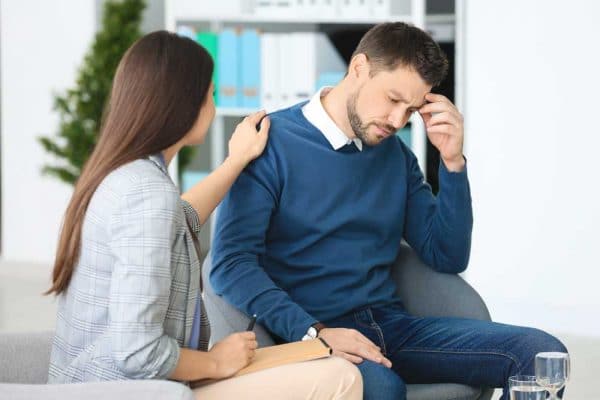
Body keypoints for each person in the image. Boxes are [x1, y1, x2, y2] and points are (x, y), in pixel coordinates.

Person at [211, 22, 568, 400]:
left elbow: (447, 255)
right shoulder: (270, 143)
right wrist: (315, 332)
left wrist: (451, 162)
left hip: (390, 327)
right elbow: (230, 263)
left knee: (542, 355)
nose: (398, 121)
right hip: (311, 336)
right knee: (381, 388)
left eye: (411, 109)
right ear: (359, 68)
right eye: (393, 99)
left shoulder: (396, 155)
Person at [45, 30, 362, 400]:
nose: (213, 105)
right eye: (210, 94)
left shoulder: (126, 174)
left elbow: (180, 220)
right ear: (182, 105)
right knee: (341, 377)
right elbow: (136, 353)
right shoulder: (147, 195)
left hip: (118, 382)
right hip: (127, 391)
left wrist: (236, 160)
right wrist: (215, 363)